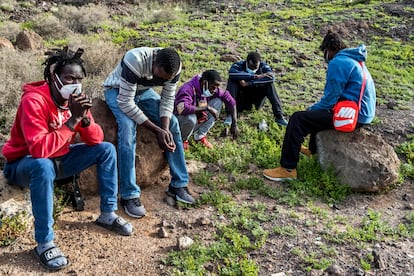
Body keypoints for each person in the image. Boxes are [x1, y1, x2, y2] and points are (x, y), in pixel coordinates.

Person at [2, 46, 133, 271]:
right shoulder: (33, 101)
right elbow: (39, 150)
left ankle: (107, 213)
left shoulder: (75, 101)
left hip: (59, 160)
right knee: (42, 165)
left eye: (79, 79)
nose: (75, 83)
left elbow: (96, 139)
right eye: (69, 78)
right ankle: (44, 242)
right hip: (23, 164)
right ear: (55, 78)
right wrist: (71, 121)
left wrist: (84, 120)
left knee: (106, 150)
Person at [263, 31, 376, 181]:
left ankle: (288, 169)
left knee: (298, 118)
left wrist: (311, 109)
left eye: (325, 52)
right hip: (362, 113)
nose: (325, 57)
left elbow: (330, 99)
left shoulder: (338, 62)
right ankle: (313, 151)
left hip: (353, 116)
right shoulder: (355, 60)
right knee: (319, 114)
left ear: (329, 49)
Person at [103, 47, 195, 217]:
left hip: (142, 92)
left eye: (166, 79)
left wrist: (165, 129)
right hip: (117, 91)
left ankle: (178, 184)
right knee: (128, 128)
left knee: (173, 123)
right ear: (153, 63)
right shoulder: (135, 59)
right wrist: (156, 129)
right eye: (160, 76)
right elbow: (126, 103)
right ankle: (128, 194)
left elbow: (168, 100)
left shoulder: (174, 68)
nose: (162, 80)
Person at [174, 69, 239, 150]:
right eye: (213, 87)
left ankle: (199, 136)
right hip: (179, 122)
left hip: (194, 122)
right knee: (191, 117)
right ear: (205, 82)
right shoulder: (188, 89)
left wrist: (234, 123)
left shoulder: (209, 89)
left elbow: (230, 100)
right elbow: (181, 109)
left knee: (218, 101)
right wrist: (206, 108)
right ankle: (182, 140)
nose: (214, 91)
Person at [225, 51, 288, 127]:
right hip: (240, 100)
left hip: (256, 101)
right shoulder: (238, 65)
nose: (253, 69)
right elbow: (232, 74)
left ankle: (279, 116)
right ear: (247, 62)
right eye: (251, 67)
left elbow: (271, 78)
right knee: (232, 80)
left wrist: (249, 83)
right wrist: (254, 76)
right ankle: (230, 114)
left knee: (269, 85)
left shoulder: (263, 66)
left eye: (256, 67)